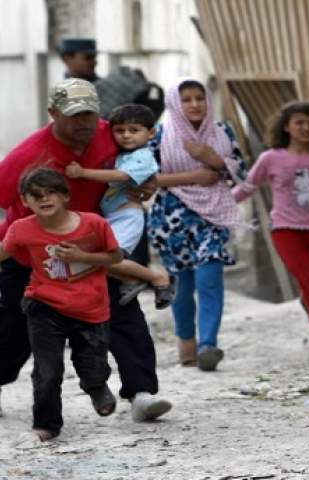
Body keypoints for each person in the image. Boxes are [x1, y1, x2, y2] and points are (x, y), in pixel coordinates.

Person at [0, 78, 172, 423]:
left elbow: (143, 158)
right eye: (74, 116)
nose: (84, 123)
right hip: (33, 254)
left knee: (122, 312)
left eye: (89, 114)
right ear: (53, 114)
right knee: (16, 328)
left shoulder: (114, 133)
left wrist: (148, 182)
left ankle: (141, 393)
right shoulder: (26, 156)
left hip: (94, 244)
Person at [0, 168, 123, 441]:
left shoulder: (94, 224)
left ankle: (95, 384)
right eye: (36, 195)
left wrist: (82, 256)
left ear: (65, 196)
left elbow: (115, 257)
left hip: (91, 307)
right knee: (47, 368)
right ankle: (46, 423)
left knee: (93, 363)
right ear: (25, 202)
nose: (44, 199)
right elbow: (5, 252)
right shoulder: (21, 229)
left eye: (51, 192)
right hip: (43, 303)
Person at [232, 101, 309, 351]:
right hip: (286, 228)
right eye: (299, 122)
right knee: (308, 276)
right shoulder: (270, 158)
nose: (306, 127)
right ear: (287, 127)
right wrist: (218, 204)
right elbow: (248, 186)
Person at [147, 78, 246, 371]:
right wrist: (195, 177)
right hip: (171, 219)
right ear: (176, 103)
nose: (194, 105)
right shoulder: (160, 136)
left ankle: (208, 346)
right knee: (182, 285)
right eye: (187, 99)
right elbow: (145, 179)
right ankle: (186, 342)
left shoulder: (222, 131)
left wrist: (210, 157)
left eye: (199, 98)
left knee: (210, 276)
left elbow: (239, 170)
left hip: (212, 216)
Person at [65, 103, 175, 309]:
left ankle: (158, 278)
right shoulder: (121, 154)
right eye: (120, 131)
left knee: (106, 259)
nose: (126, 136)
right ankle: (131, 280)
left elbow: (122, 176)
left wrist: (83, 173)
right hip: (112, 216)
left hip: (127, 217)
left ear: (151, 133)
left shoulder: (143, 156)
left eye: (134, 130)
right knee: (94, 260)